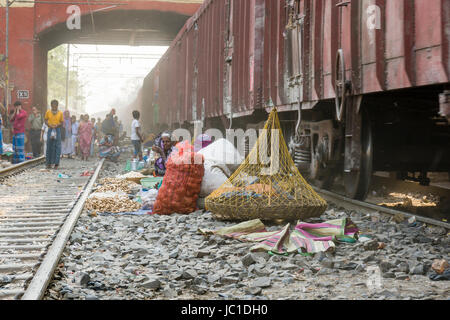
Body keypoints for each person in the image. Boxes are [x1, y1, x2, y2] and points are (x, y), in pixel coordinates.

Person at [44, 100, 64, 169]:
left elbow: (62, 122)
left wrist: (57, 125)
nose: (54, 107)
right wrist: (49, 125)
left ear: (57, 106)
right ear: (51, 105)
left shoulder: (60, 113)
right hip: (50, 129)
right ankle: (48, 163)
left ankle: (56, 163)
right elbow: (45, 120)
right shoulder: (48, 112)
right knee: (49, 146)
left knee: (57, 146)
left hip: (57, 130)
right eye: (53, 105)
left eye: (55, 105)